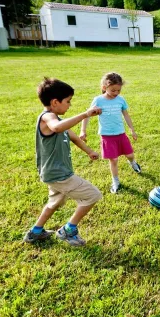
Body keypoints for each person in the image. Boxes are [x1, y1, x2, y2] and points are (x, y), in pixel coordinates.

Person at [24, 77, 103, 246]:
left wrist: (89, 151)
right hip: (59, 174)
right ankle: (68, 231)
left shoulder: (58, 120)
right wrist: (85, 114)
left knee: (55, 202)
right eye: (68, 101)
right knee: (93, 195)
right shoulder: (48, 118)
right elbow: (57, 128)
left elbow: (72, 136)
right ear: (55, 102)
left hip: (53, 173)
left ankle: (35, 232)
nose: (70, 105)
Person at [80, 72, 141, 194]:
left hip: (120, 134)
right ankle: (116, 181)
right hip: (107, 136)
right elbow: (87, 116)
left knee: (129, 154)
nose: (116, 93)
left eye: (118, 90)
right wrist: (83, 130)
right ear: (104, 87)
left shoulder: (121, 100)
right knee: (113, 160)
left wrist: (132, 129)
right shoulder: (98, 100)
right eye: (113, 90)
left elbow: (126, 114)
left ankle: (132, 162)